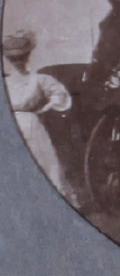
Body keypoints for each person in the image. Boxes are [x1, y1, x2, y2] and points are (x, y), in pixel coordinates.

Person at [3, 30, 76, 205]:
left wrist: (45, 108)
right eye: (14, 58)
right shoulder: (8, 81)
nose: (17, 61)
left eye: (20, 57)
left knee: (43, 166)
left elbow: (60, 96)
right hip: (12, 126)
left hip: (29, 125)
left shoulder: (40, 79)